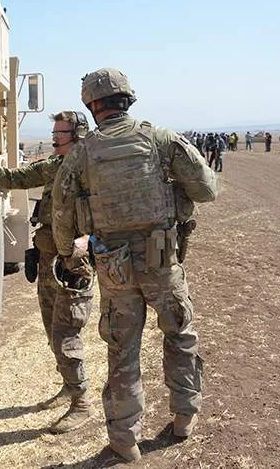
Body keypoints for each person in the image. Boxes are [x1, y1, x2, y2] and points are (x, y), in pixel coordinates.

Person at [53, 68, 217, 462]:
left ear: (92, 106)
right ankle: (184, 417)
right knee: (179, 334)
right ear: (128, 99)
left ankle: (125, 440)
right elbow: (207, 189)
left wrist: (69, 255)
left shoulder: (81, 153)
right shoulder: (161, 139)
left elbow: (61, 211)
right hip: (163, 262)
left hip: (113, 267)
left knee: (122, 349)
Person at [0, 110, 95, 434]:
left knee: (65, 335)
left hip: (72, 266)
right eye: (54, 132)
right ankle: (69, 386)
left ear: (78, 135)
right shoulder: (56, 166)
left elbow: (114, 215)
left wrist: (91, 239)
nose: (54, 137)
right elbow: (13, 178)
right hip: (47, 262)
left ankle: (82, 402)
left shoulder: (93, 172)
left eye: (61, 133)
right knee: (51, 332)